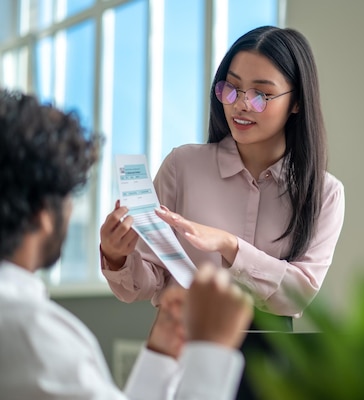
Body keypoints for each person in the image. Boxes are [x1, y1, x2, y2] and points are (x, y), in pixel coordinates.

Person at [0, 89, 253, 400]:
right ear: (42, 215)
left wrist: (159, 359)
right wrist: (210, 351)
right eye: (69, 196)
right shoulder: (32, 337)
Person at [99, 25, 345, 329]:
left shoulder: (324, 192)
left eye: (262, 94)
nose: (240, 104)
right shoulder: (182, 165)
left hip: (270, 360)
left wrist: (230, 246)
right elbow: (149, 281)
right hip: (181, 342)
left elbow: (298, 294)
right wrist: (116, 257)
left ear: (296, 102)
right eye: (231, 88)